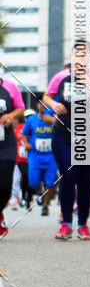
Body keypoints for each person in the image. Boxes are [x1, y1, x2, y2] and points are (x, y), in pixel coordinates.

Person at [43, 42, 90, 241]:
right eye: (77, 54)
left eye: (85, 54)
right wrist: (53, 104)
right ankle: (65, 223)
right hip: (64, 134)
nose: (81, 57)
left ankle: (83, 224)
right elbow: (46, 97)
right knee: (69, 175)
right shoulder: (61, 77)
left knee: (85, 181)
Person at [0, 70, 26, 237]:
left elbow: (20, 109)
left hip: (6, 145)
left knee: (4, 187)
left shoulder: (9, 87)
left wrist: (10, 115)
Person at [21, 101, 58, 217]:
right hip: (35, 155)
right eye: (40, 104)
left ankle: (45, 206)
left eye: (44, 104)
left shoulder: (54, 118)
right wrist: (26, 143)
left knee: (50, 182)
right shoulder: (31, 119)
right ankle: (40, 191)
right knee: (33, 181)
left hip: (51, 155)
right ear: (37, 105)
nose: (42, 106)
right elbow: (24, 134)